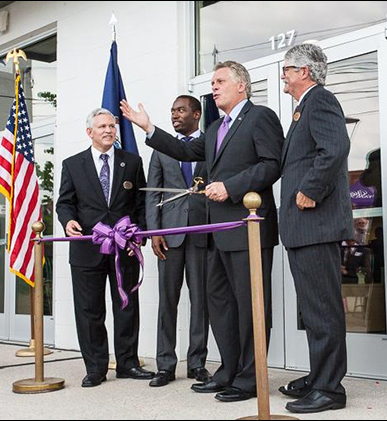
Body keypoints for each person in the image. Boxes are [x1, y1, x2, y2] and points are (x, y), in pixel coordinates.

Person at [121, 60, 284, 402]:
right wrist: (149, 128)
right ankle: (228, 370)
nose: (214, 86)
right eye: (212, 81)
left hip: (247, 230)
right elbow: (182, 149)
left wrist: (230, 187)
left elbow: (272, 165)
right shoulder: (214, 128)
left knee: (250, 305)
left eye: (220, 80)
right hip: (216, 235)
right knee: (220, 305)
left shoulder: (260, 117)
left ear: (242, 85)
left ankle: (251, 378)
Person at [277, 44, 353, 413]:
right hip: (303, 228)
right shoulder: (303, 107)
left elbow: (336, 148)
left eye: (287, 69)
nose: (283, 76)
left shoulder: (320, 100)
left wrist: (310, 190)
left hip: (316, 225)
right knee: (313, 308)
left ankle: (330, 390)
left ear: (304, 71)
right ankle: (318, 376)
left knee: (322, 309)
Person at [56, 108, 154, 388]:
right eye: (102, 127)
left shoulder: (132, 162)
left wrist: (141, 232)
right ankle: (96, 368)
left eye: (112, 126)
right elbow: (65, 202)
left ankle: (128, 364)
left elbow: (140, 202)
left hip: (124, 247)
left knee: (126, 305)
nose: (109, 130)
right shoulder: (73, 164)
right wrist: (68, 221)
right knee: (90, 310)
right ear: (90, 132)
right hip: (87, 248)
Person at [146, 95, 211, 387]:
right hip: (169, 235)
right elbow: (152, 193)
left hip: (201, 233)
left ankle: (197, 363)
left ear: (196, 114)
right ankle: (165, 365)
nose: (175, 115)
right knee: (167, 302)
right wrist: (154, 232)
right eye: (172, 111)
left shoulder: (211, 144)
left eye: (181, 110)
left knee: (201, 301)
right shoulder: (161, 150)